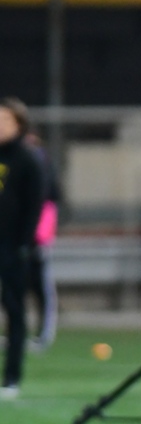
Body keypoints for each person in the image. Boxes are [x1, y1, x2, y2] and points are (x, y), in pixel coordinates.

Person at [0, 97, 45, 399]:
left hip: (11, 246)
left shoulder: (28, 158)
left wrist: (24, 244)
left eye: (4, 120)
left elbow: (34, 205)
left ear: (19, 124)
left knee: (14, 310)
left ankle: (11, 378)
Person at [24, 131, 61, 352]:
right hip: (18, 237)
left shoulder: (41, 165)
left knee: (41, 285)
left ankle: (44, 334)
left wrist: (41, 236)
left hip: (37, 238)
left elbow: (49, 201)